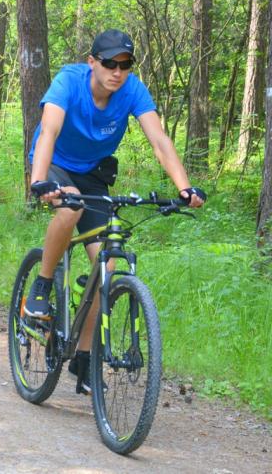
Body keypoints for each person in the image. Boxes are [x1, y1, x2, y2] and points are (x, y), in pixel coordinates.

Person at [26, 29, 206, 393]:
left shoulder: (132, 90)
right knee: (70, 209)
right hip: (55, 164)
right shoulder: (69, 82)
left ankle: (84, 357)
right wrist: (39, 180)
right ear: (92, 62)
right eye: (110, 63)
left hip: (93, 172)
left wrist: (184, 187)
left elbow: (159, 140)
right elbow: (49, 131)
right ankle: (42, 285)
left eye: (125, 65)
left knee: (106, 267)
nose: (117, 72)